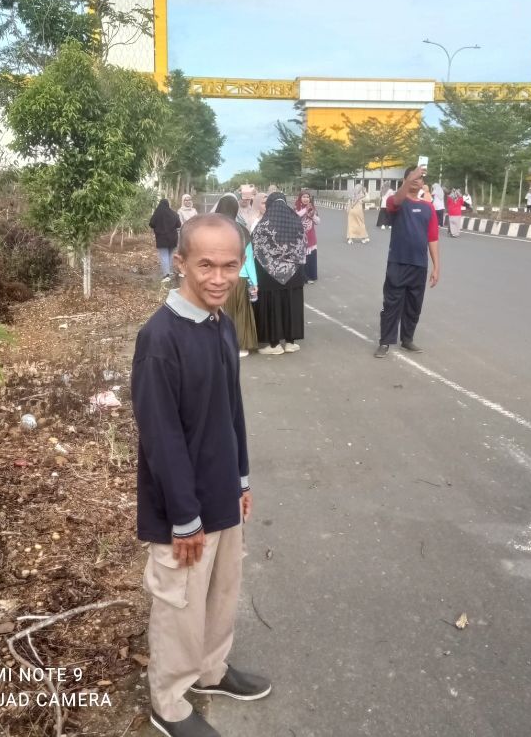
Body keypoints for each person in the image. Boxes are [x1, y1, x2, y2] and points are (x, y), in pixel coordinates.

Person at [132, 212, 271, 737]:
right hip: (182, 507)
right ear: (181, 262)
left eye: (230, 265)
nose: (218, 278)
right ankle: (168, 701)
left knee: (221, 591)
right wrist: (185, 518)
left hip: (221, 493)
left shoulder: (220, 323)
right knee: (181, 603)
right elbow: (161, 439)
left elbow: (231, 411)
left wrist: (241, 480)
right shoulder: (160, 339)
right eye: (206, 265)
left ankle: (211, 670)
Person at [374, 166, 440, 359]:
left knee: (414, 305)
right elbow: (395, 201)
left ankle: (407, 339)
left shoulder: (428, 207)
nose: (417, 181)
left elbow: (433, 238)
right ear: (406, 180)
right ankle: (385, 342)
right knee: (391, 303)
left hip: (419, 264)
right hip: (398, 262)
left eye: (420, 178)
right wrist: (411, 177)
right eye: (413, 178)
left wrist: (436, 267)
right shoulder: (396, 201)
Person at [252, 192, 306, 355]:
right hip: (294, 273)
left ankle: (274, 344)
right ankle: (290, 342)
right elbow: (303, 246)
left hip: (269, 274)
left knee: (272, 306)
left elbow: (256, 247)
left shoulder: (263, 225)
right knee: (292, 305)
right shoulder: (296, 222)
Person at [214, 193, 259, 357]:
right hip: (239, 277)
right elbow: (249, 260)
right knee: (241, 312)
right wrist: (254, 282)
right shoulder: (242, 231)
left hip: (216, 276)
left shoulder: (210, 230)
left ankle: (220, 346)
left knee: (219, 312)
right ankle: (241, 346)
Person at [150, 199, 181, 281]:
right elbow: (179, 224)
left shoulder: (157, 213)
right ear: (168, 205)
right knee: (169, 255)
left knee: (164, 256)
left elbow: (151, 223)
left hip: (161, 238)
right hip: (173, 238)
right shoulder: (174, 213)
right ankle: (169, 272)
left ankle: (166, 275)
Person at [295, 190, 320, 283]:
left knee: (310, 257)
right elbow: (296, 217)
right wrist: (305, 210)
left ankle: (310, 276)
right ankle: (303, 277)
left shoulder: (312, 208)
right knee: (301, 258)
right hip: (300, 237)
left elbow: (318, 222)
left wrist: (312, 215)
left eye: (307, 197)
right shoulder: (296, 208)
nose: (306, 199)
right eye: (304, 197)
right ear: (300, 198)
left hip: (311, 236)